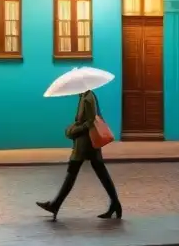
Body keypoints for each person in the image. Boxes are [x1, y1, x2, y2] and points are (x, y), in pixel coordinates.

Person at [37, 89, 122, 220]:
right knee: (100, 173)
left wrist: (74, 130)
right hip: (87, 143)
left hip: (85, 144)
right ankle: (115, 204)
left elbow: (90, 121)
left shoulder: (88, 98)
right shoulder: (84, 96)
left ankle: (55, 205)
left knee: (73, 172)